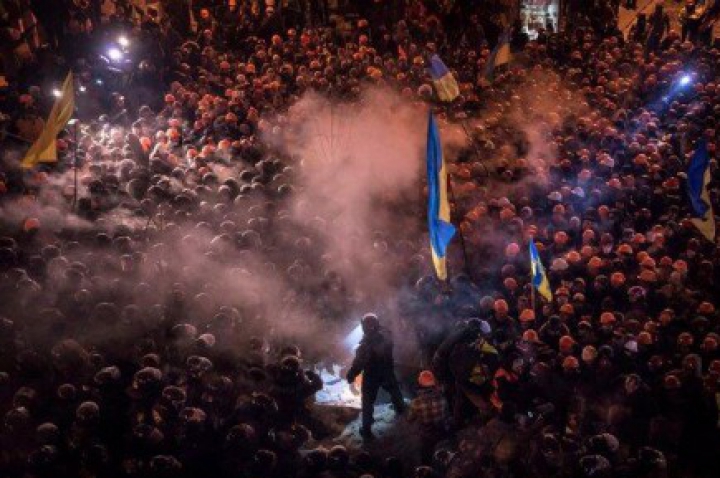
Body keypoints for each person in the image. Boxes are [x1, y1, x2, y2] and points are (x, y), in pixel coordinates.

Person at [347, 313, 406, 442]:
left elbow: (359, 363)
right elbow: (386, 332)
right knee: (395, 392)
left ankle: (366, 430)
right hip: (387, 371)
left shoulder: (365, 345)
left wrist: (351, 375)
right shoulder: (387, 335)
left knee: (367, 402)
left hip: (371, 375)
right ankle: (401, 410)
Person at [408, 370, 449, 464]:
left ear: (419, 384)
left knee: (425, 455)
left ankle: (426, 468)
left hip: (426, 435)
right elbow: (446, 414)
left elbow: (410, 419)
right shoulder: (442, 398)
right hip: (442, 430)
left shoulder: (416, 402)